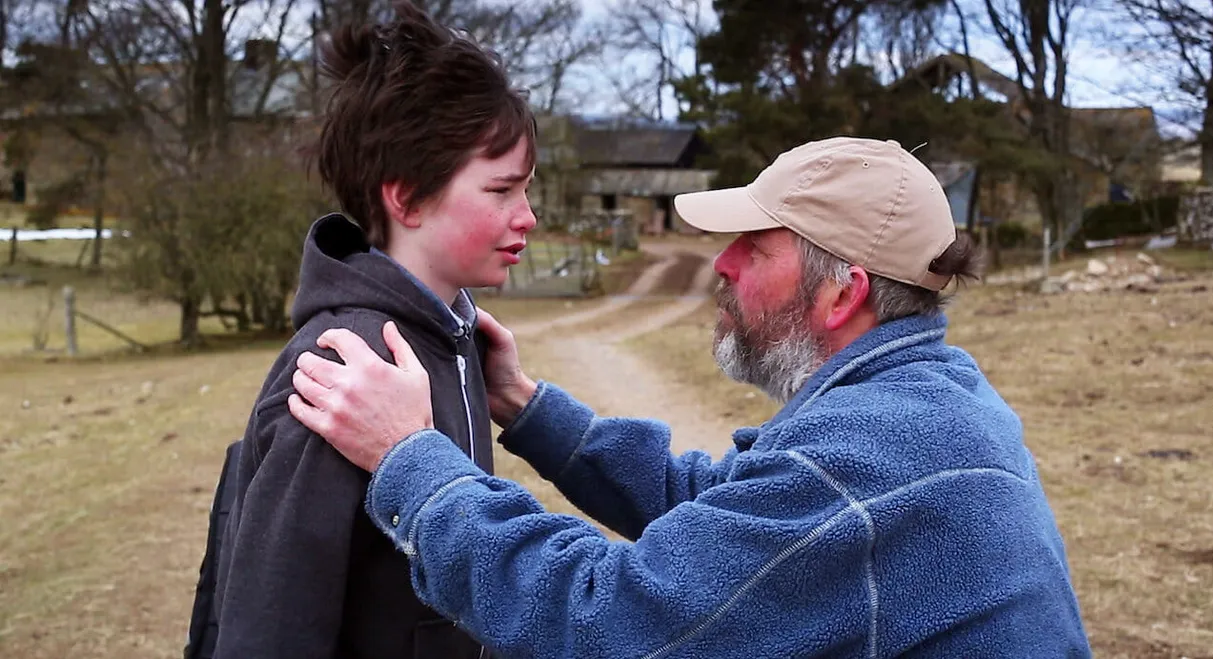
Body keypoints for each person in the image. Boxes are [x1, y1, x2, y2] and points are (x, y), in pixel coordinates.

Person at [286, 137, 1094, 658]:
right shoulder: (927, 395)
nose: (722, 265)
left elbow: (609, 620)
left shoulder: (861, 465)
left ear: (842, 294)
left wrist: (411, 462)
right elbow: (723, 510)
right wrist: (529, 406)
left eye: (755, 245)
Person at [208, 2, 536, 657]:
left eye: (528, 189)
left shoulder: (458, 342)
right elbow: (270, 630)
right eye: (502, 191)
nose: (527, 216)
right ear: (407, 196)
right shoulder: (342, 368)